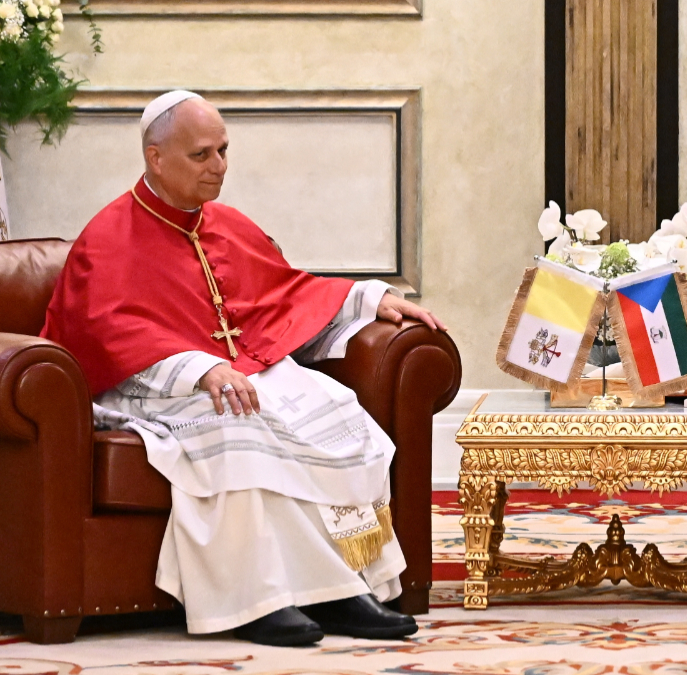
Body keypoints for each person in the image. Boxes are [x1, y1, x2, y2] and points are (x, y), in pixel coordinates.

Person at [41, 91, 448, 647]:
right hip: (152, 386)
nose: (220, 167)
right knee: (237, 427)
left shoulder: (228, 224)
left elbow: (283, 293)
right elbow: (105, 332)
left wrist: (366, 300)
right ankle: (258, 600)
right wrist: (196, 368)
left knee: (338, 411)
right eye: (201, 155)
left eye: (224, 151)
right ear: (156, 158)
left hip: (239, 370)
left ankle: (349, 584)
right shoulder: (109, 236)